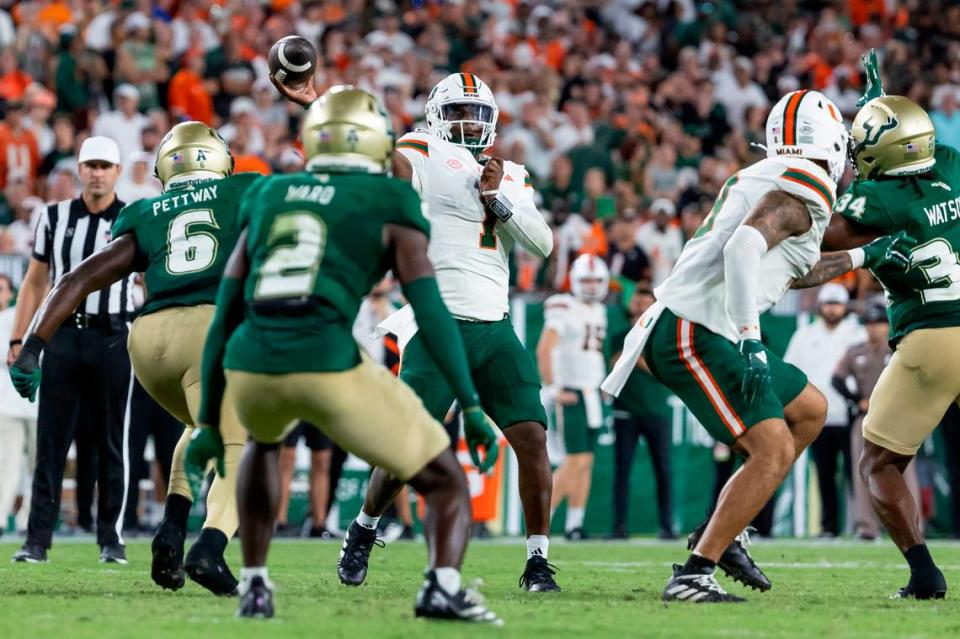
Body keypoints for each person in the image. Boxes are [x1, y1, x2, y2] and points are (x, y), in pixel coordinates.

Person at [185, 86, 500, 622]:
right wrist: (469, 405)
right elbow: (431, 311)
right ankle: (441, 587)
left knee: (264, 443)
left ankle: (255, 584)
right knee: (444, 477)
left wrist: (209, 420)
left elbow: (225, 313)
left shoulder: (268, 193)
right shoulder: (391, 199)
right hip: (327, 358)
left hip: (252, 361)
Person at [603, 89, 911, 602]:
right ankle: (695, 571)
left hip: (706, 323)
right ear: (830, 142)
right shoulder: (808, 181)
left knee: (810, 410)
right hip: (697, 327)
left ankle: (719, 532)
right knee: (773, 448)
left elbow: (789, 269)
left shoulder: (770, 176)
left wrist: (865, 257)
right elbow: (746, 246)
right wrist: (751, 339)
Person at [276, 72, 559, 592]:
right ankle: (363, 527)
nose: (469, 124)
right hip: (437, 323)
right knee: (408, 447)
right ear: (435, 116)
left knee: (533, 440)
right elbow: (385, 163)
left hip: (496, 325)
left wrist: (499, 199)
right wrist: (321, 105)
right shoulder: (421, 149)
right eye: (457, 113)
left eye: (477, 115)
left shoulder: (511, 173)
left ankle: (538, 560)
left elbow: (542, 245)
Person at [8, 122, 257, 594]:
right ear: (219, 159)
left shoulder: (146, 210)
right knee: (241, 444)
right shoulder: (246, 189)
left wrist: (32, 346)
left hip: (146, 342)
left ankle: (171, 526)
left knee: (201, 429)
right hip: (210, 331)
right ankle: (210, 548)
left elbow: (75, 280)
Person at [821, 53, 960, 598]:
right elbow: (916, 147)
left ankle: (924, 576)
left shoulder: (878, 199)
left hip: (932, 339)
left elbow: (826, 235)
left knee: (878, 463)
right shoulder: (949, 163)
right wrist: (881, 110)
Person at [7, 136, 134, 564]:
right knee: (51, 443)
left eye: (105, 165)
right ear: (78, 169)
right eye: (90, 165)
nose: (97, 172)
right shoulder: (53, 216)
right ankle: (37, 540)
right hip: (61, 337)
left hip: (113, 336)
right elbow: (35, 281)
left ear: (117, 172)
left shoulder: (132, 218)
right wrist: (19, 338)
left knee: (111, 442)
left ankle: (110, 539)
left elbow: (146, 284)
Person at [831, 302, 922, 541]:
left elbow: (916, 379)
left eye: (879, 323)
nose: (875, 328)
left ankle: (913, 525)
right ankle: (866, 527)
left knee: (905, 471)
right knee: (863, 471)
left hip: (898, 418)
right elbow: (837, 379)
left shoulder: (899, 349)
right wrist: (856, 399)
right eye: (870, 324)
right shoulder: (855, 351)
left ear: (887, 325)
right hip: (866, 419)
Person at [783, 283, 865, 537]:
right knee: (824, 474)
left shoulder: (857, 334)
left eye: (837, 303)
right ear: (820, 306)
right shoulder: (805, 335)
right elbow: (790, 371)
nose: (832, 309)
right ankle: (829, 527)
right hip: (817, 417)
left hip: (851, 412)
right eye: (828, 303)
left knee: (857, 474)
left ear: (845, 306)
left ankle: (861, 526)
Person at [537, 254, 609, 540]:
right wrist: (553, 388)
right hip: (572, 392)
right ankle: (541, 519)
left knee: (586, 461)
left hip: (591, 393)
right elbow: (545, 348)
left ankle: (574, 525)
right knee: (574, 460)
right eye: (586, 280)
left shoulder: (599, 310)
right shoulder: (563, 306)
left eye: (596, 280)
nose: (591, 286)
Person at [609, 286, 674, 540]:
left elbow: (662, 371)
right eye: (637, 303)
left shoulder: (661, 337)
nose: (640, 308)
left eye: (645, 303)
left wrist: (635, 358)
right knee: (622, 470)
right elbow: (613, 362)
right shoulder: (619, 336)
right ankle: (619, 527)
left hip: (656, 410)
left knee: (663, 469)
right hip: (625, 410)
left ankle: (667, 526)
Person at [0, 273, 36, 535]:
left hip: (37, 402)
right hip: (6, 404)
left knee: (38, 465)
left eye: (1, 289)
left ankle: (29, 521)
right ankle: (1, 518)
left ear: (11, 292)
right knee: (7, 463)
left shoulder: (23, 317)